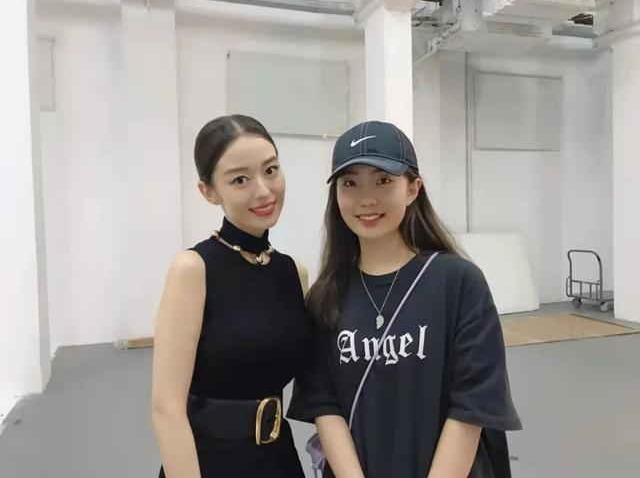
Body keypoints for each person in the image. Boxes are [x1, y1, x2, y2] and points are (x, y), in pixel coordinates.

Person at [288, 120, 522, 478]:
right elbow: (325, 406)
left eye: (383, 180)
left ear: (413, 188)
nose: (367, 198)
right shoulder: (325, 297)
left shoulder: (458, 283)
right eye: (350, 183)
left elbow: (471, 406)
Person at [152, 115, 312, 478]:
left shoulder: (293, 273)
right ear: (209, 192)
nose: (264, 190)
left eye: (270, 170)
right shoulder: (193, 270)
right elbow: (167, 409)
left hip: (280, 461)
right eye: (240, 179)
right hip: (209, 462)